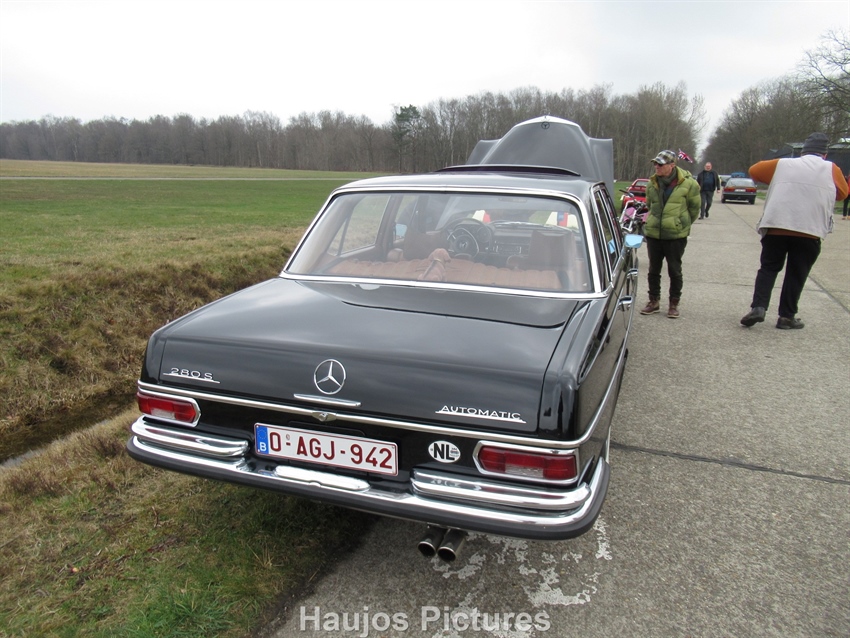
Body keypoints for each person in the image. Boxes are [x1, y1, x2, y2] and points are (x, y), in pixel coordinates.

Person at [740, 132, 848, 330]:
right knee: (796, 274)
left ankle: (759, 307)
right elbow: (842, 193)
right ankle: (786, 317)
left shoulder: (783, 164)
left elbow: (754, 170)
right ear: (824, 154)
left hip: (777, 226)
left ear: (802, 152)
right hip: (809, 230)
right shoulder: (831, 168)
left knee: (768, 268)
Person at [640, 150, 701, 318]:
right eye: (655, 164)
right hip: (654, 233)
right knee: (653, 269)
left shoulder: (689, 184)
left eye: (660, 164)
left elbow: (694, 208)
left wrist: (680, 224)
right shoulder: (652, 183)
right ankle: (653, 301)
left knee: (674, 270)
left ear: (672, 165)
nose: (657, 167)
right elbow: (650, 205)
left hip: (675, 235)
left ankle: (674, 303)